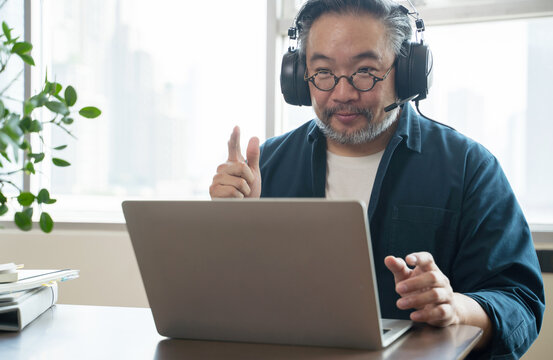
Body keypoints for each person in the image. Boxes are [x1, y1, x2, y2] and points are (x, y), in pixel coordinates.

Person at [209, 0, 545, 358]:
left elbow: (520, 301)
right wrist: (232, 226)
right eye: (322, 72)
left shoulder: (468, 166)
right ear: (298, 75)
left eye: (365, 70)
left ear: (407, 72)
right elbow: (226, 307)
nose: (343, 93)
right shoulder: (267, 167)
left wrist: (455, 306)